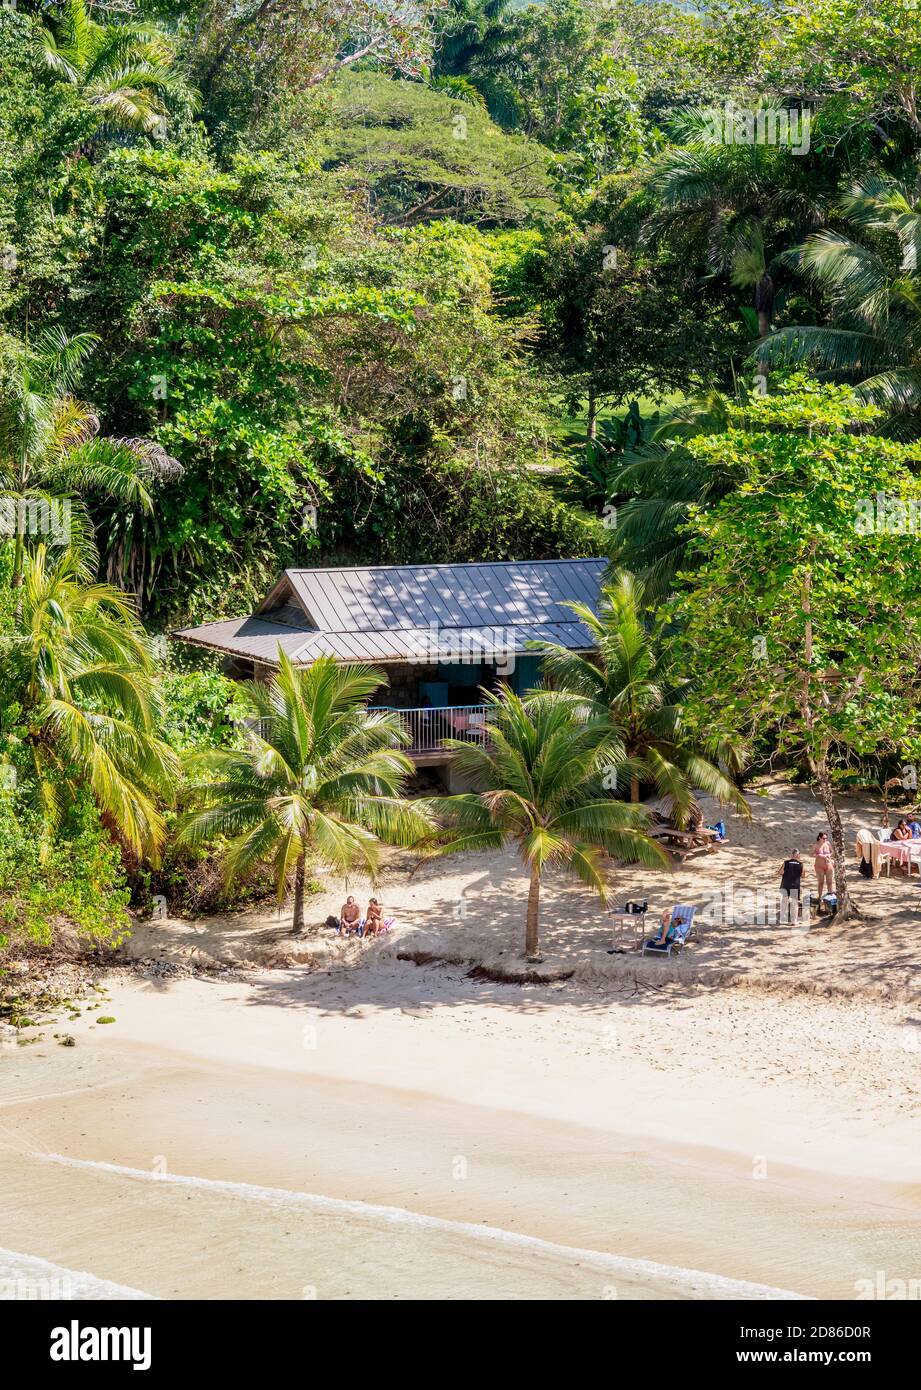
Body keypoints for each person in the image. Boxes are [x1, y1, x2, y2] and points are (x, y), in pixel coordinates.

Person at [779, 850, 803, 925]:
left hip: (786, 884)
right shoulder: (801, 864)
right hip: (795, 885)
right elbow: (803, 875)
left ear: (792, 855)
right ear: (798, 855)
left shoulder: (786, 862)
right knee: (794, 903)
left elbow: (780, 872)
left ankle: (782, 919)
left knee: (784, 902)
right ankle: (794, 921)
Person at [813, 832, 834, 902]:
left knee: (829, 881)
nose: (825, 840)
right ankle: (819, 897)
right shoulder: (816, 845)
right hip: (819, 866)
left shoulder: (828, 843)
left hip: (828, 864)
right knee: (821, 882)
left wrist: (829, 855)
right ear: (819, 838)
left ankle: (830, 896)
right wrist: (818, 855)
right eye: (823, 838)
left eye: (826, 838)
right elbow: (811, 854)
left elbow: (832, 851)